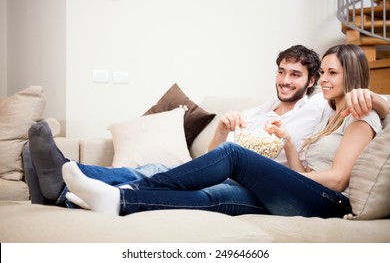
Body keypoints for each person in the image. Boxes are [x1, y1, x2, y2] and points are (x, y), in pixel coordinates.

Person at [27, 44, 389, 215]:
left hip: (327, 202)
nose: (325, 80)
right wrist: (293, 149)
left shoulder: (359, 114)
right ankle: (113, 197)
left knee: (234, 156)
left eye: (331, 74)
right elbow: (304, 171)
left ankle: (121, 187)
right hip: (298, 189)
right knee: (214, 198)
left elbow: (338, 180)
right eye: (323, 72)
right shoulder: (330, 116)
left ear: (352, 77)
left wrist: (373, 97)